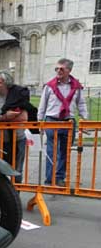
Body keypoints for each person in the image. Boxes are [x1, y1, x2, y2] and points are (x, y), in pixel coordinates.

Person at [38, 58, 89, 186]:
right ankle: (50, 179)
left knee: (65, 151)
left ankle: (59, 177)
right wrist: (40, 121)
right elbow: (42, 104)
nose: (58, 71)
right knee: (51, 151)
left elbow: (81, 103)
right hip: (52, 120)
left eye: (62, 68)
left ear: (69, 70)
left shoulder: (76, 86)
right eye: (57, 68)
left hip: (68, 122)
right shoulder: (50, 86)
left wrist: (84, 118)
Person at [0, 70, 28, 180]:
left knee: (17, 171)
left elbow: (23, 117)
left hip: (18, 139)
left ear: (6, 83)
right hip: (1, 139)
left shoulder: (18, 94)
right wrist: (6, 116)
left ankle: (15, 195)